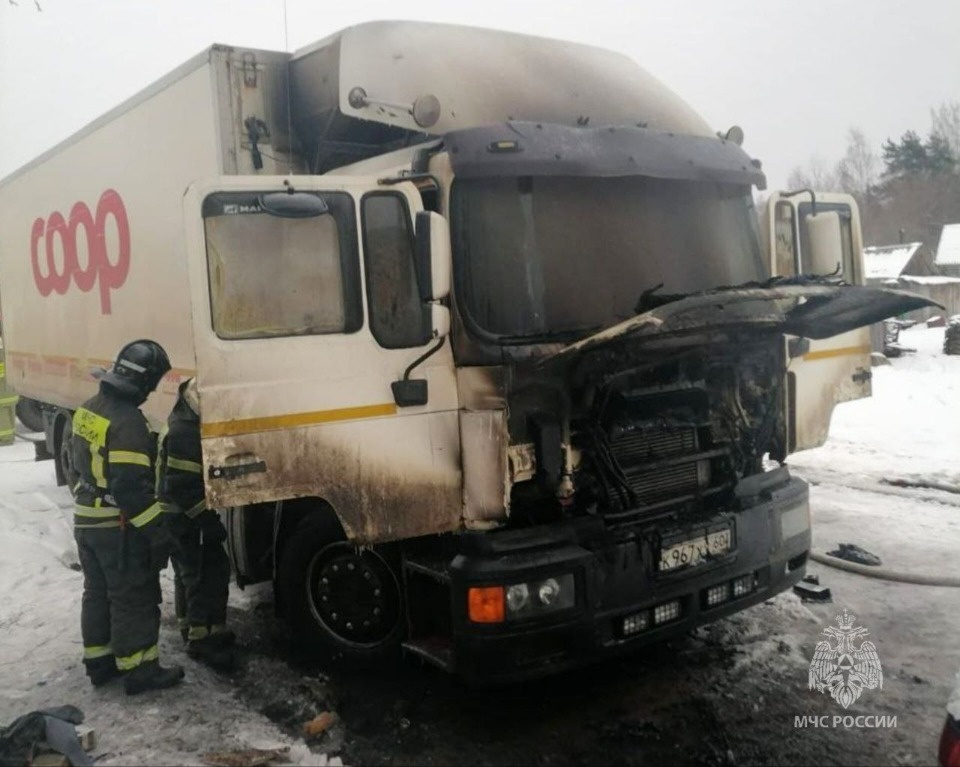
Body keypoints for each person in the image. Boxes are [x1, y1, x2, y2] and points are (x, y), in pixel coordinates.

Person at [72, 339, 185, 695]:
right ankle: (141, 670)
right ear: (143, 382)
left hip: (86, 520)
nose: (151, 393)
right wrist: (158, 534)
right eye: (152, 385)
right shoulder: (129, 424)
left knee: (97, 592)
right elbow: (131, 492)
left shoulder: (89, 409)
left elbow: (76, 465)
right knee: (131, 595)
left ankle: (100, 662)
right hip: (115, 527)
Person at [157, 377, 236, 671]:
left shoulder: (183, 419)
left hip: (179, 515)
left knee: (202, 570)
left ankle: (205, 631)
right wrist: (207, 519)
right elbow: (182, 486)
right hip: (182, 516)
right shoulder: (185, 432)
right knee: (199, 575)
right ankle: (199, 640)